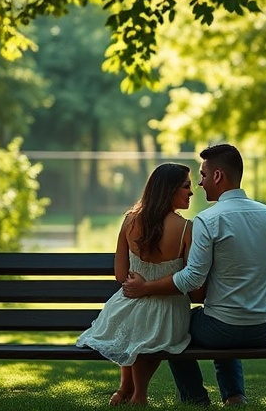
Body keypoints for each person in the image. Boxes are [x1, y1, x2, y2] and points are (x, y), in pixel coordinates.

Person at [123, 144, 266, 406]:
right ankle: (234, 396)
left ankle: (195, 398)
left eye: (203, 175)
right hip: (265, 328)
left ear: (218, 176)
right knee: (222, 317)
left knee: (176, 328)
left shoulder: (208, 220)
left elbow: (191, 280)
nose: (199, 183)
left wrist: (146, 287)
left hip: (221, 327)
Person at [76, 162, 195, 406]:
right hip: (169, 307)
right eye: (186, 186)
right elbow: (189, 279)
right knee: (148, 328)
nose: (191, 192)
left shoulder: (130, 221)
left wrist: (140, 283)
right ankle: (138, 395)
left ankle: (125, 390)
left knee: (136, 325)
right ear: (169, 189)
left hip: (127, 303)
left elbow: (121, 275)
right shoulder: (185, 229)